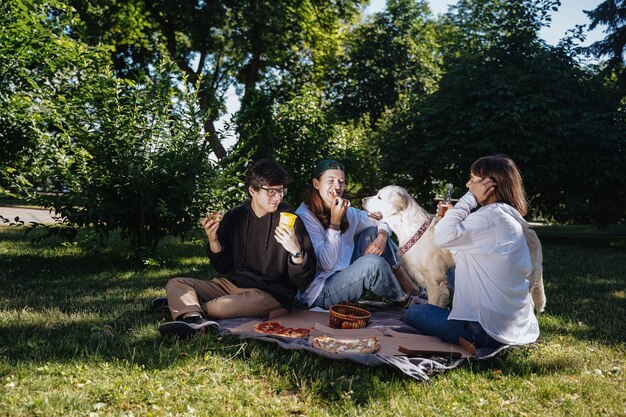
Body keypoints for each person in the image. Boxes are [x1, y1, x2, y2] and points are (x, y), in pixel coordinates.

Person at [158, 159, 316, 338]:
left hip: (271, 294)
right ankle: (193, 318)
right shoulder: (235, 216)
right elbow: (223, 267)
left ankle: (184, 305)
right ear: (252, 190)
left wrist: (296, 251)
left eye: (281, 191)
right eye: (271, 192)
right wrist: (213, 240)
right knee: (177, 283)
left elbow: (304, 280)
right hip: (233, 285)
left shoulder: (291, 221)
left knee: (218, 307)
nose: (278, 197)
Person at [404, 155, 540, 349]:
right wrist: (453, 215)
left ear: (490, 185)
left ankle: (459, 320)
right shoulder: (509, 216)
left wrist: (469, 200)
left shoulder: (487, 218)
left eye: (473, 180)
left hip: (486, 331)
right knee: (452, 272)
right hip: (517, 327)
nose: (468, 185)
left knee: (414, 313)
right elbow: (459, 246)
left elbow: (442, 237)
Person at [295, 159, 422, 310]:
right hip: (321, 291)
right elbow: (326, 264)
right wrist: (334, 224)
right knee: (372, 264)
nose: (337, 186)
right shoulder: (304, 217)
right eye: (331, 181)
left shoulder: (346, 211)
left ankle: (411, 290)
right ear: (316, 184)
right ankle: (403, 299)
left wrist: (382, 236)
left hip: (344, 273)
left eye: (341, 182)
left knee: (372, 232)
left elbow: (381, 218)